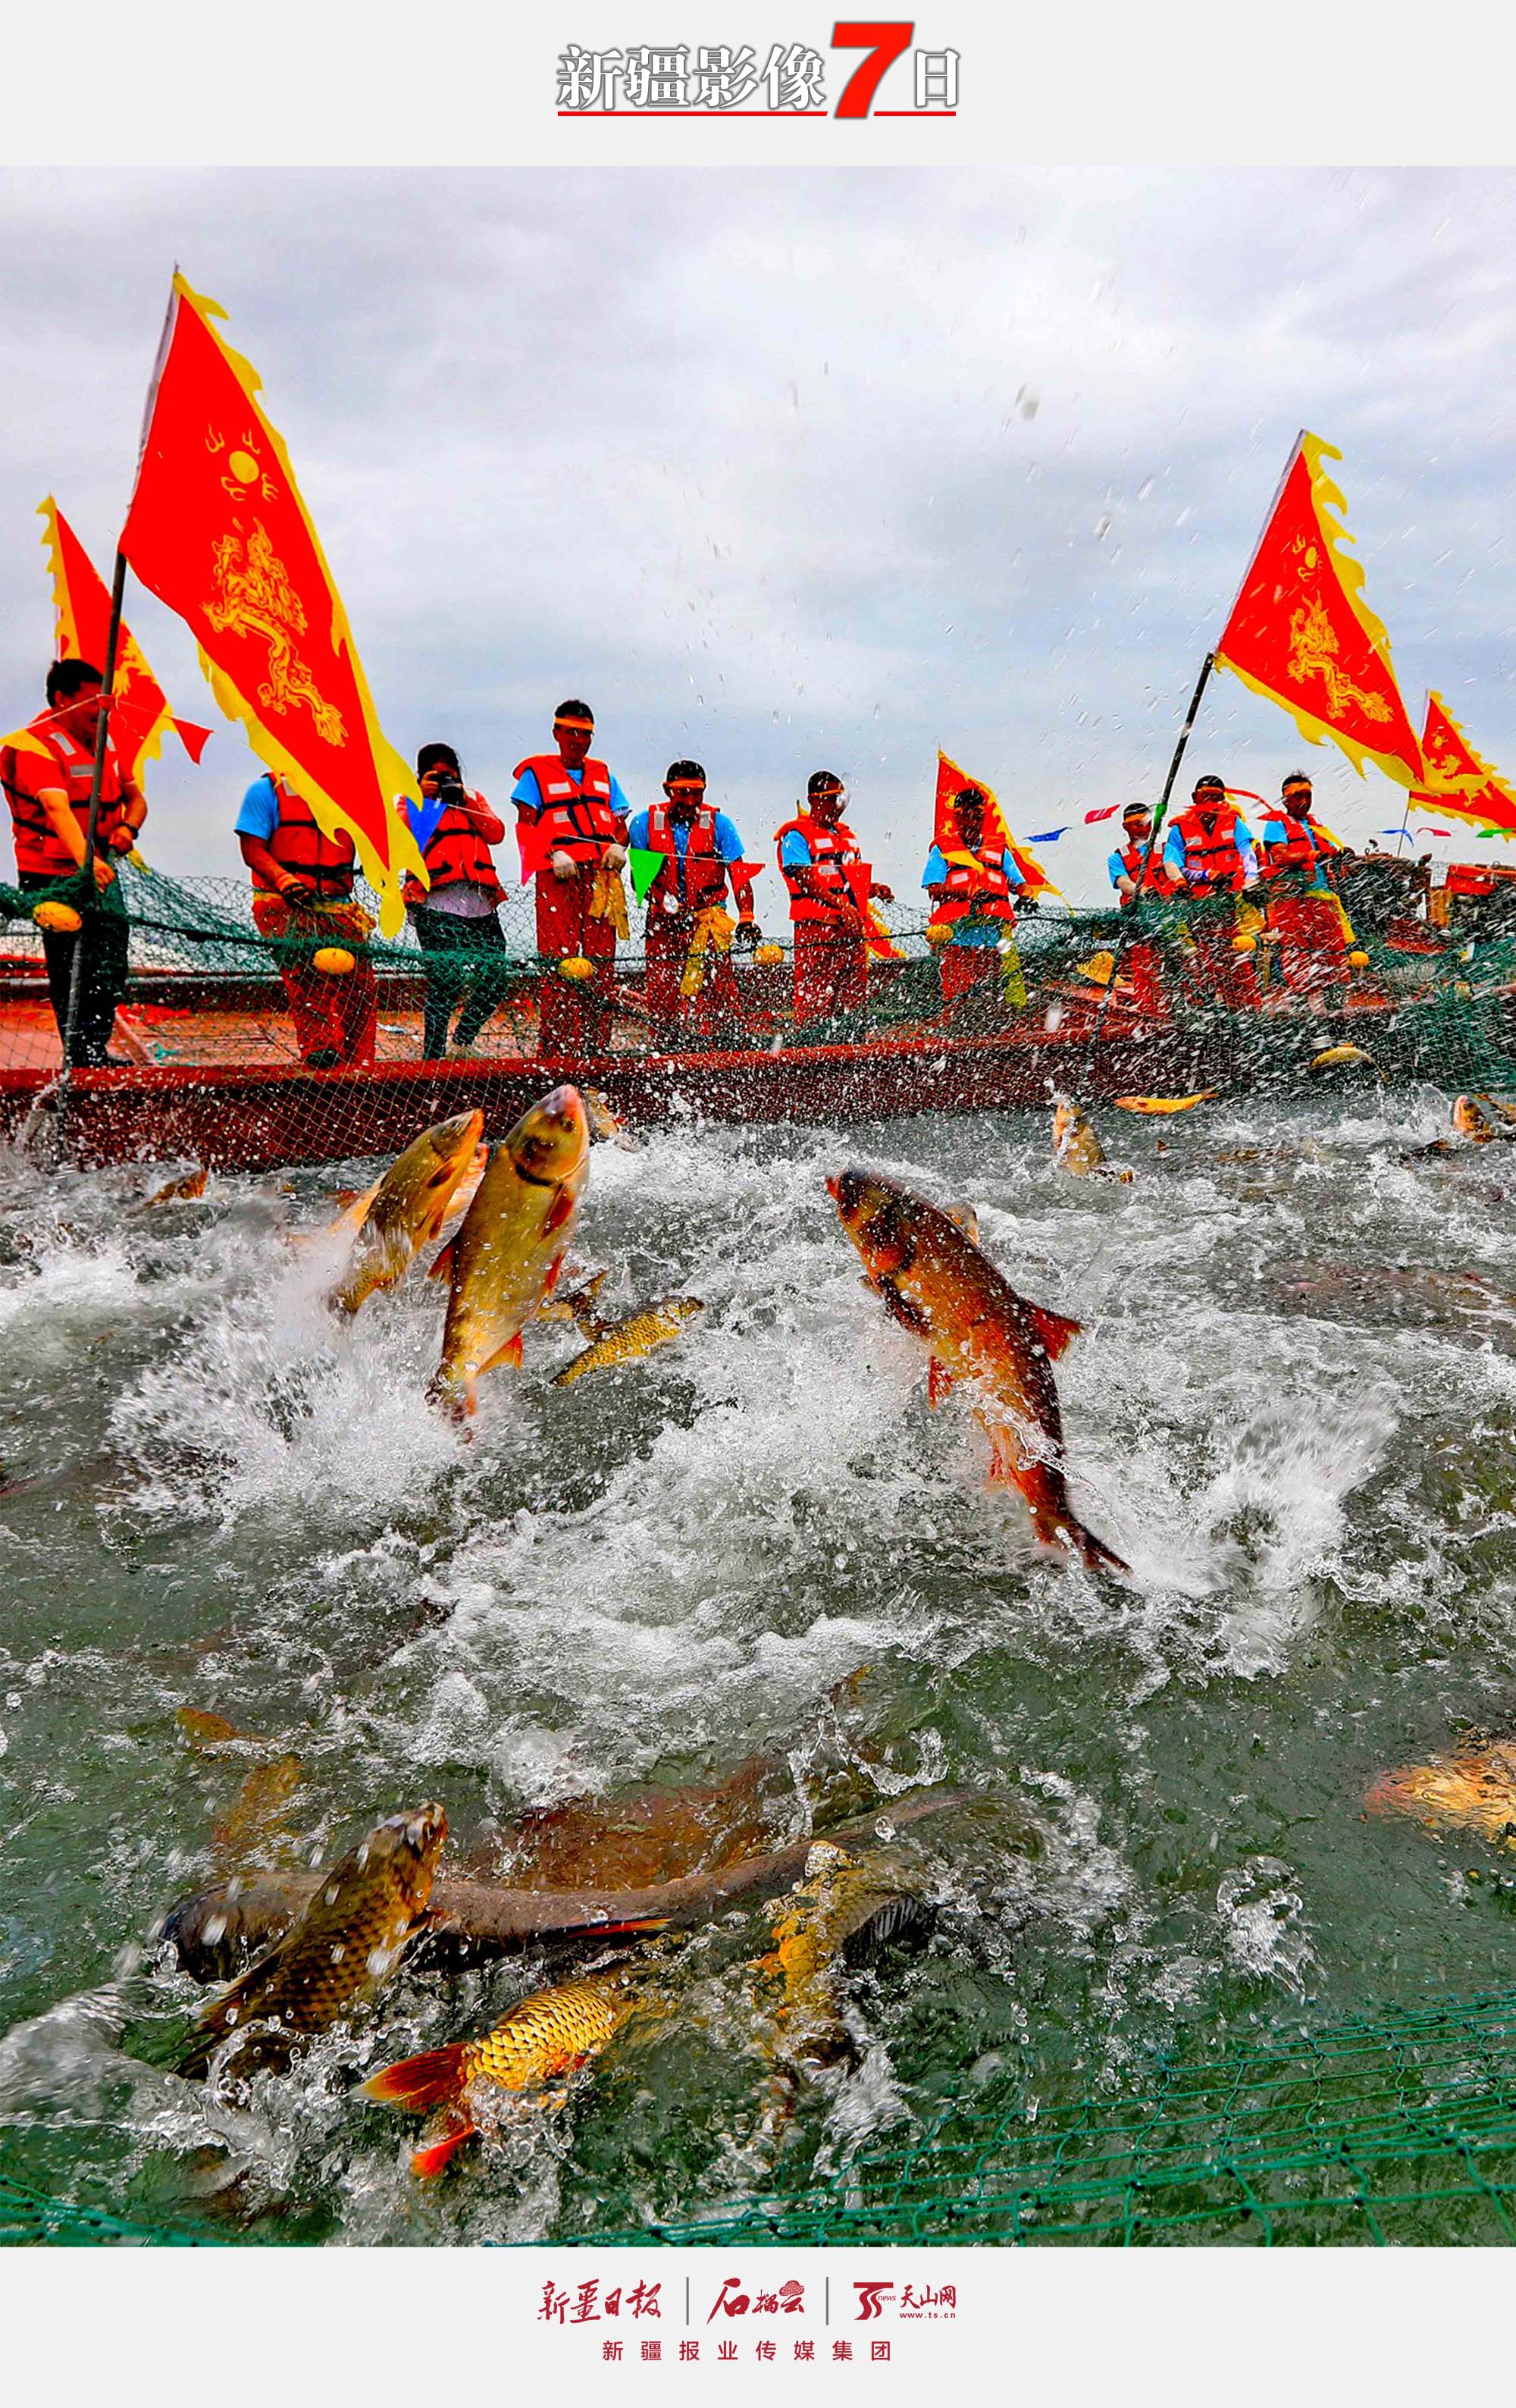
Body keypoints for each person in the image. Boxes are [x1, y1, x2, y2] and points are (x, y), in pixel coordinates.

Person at [0, 657, 144, 1066]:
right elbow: (57, 807)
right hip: (51, 876)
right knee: (70, 967)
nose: (100, 714)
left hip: (100, 870)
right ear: (62, 700)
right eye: (89, 705)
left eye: (104, 705)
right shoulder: (32, 745)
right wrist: (86, 861)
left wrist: (128, 829)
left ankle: (96, 1045)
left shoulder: (106, 741)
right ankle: (80, 1053)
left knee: (111, 963)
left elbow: (136, 799)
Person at [236, 768, 377, 1069]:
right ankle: (321, 1052)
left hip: (338, 905)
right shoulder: (265, 790)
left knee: (360, 984)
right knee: (308, 976)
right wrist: (283, 879)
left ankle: (359, 1061)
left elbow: (375, 844)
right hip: (282, 902)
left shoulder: (350, 793)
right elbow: (252, 850)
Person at [512, 701, 631, 1057]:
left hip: (601, 878)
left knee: (601, 963)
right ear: (557, 734)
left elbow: (620, 826)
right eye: (572, 733)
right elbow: (525, 824)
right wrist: (552, 853)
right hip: (558, 876)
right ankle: (558, 1046)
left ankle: (597, 1046)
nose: (580, 741)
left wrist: (618, 847)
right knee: (559, 961)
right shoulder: (536, 776)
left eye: (586, 734)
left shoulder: (604, 774)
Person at [626, 761, 758, 1038]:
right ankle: (665, 1047)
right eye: (682, 793)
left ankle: (724, 1046)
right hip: (664, 924)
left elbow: (739, 875)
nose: (690, 801)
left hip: (708, 923)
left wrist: (746, 917)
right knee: (663, 993)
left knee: (719, 991)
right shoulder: (643, 824)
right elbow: (640, 882)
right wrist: (664, 901)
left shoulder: (720, 825)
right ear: (666, 790)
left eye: (696, 794)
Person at [400, 743, 512, 1060]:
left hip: (480, 903)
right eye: (437, 776)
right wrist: (423, 796)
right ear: (422, 777)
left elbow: (496, 833)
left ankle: (462, 1043)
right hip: (436, 903)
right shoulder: (410, 803)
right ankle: (433, 1054)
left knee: (496, 977)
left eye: (449, 775)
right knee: (446, 979)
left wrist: (463, 799)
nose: (444, 782)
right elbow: (402, 835)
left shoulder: (472, 800)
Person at [775, 772, 893, 1027]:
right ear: (812, 800)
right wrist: (841, 906)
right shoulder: (796, 836)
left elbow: (848, 882)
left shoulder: (846, 836)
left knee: (853, 998)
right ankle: (811, 1053)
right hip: (816, 931)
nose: (836, 805)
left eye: (839, 799)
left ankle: (852, 1048)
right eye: (829, 799)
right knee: (815, 999)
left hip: (850, 931)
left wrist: (873, 889)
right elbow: (806, 880)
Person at [1162, 774, 1260, 1008]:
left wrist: (1252, 880)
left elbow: (1248, 852)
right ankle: (1209, 1005)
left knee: (1236, 954)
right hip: (1197, 903)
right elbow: (1173, 864)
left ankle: (1247, 1006)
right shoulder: (1180, 830)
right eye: (1206, 798)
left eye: (1216, 799)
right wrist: (1200, 877)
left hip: (1230, 902)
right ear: (1195, 798)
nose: (1211, 804)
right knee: (1204, 956)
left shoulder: (1233, 822)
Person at [922, 784, 1023, 1007]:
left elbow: (1020, 884)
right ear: (956, 817)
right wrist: (967, 892)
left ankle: (997, 1022)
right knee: (957, 995)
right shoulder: (942, 848)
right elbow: (933, 889)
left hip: (995, 934)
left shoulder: (999, 849)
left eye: (977, 814)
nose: (972, 820)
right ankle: (956, 1021)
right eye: (966, 814)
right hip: (956, 935)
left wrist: (1026, 896)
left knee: (995, 994)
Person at [1256, 770, 1349, 999]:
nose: (1304, 801)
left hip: (1323, 897)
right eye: (1298, 796)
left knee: (1333, 948)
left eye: (1307, 795)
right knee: (1298, 950)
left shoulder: (1317, 825)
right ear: (1286, 799)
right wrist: (1311, 855)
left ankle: (1335, 996)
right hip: (1292, 899)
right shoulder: (1277, 823)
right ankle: (1306, 1002)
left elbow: (1330, 853)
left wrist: (1341, 856)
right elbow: (1280, 857)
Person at [1106, 803, 1179, 1015]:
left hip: (1168, 916)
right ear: (1125, 827)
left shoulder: (1165, 849)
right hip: (1137, 917)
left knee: (1172, 961)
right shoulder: (1117, 857)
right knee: (1142, 965)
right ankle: (1149, 1012)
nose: (1140, 828)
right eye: (1134, 824)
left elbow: (1172, 869)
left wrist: (1180, 882)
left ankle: (1173, 1009)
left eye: (1144, 823)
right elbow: (1123, 882)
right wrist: (1144, 891)